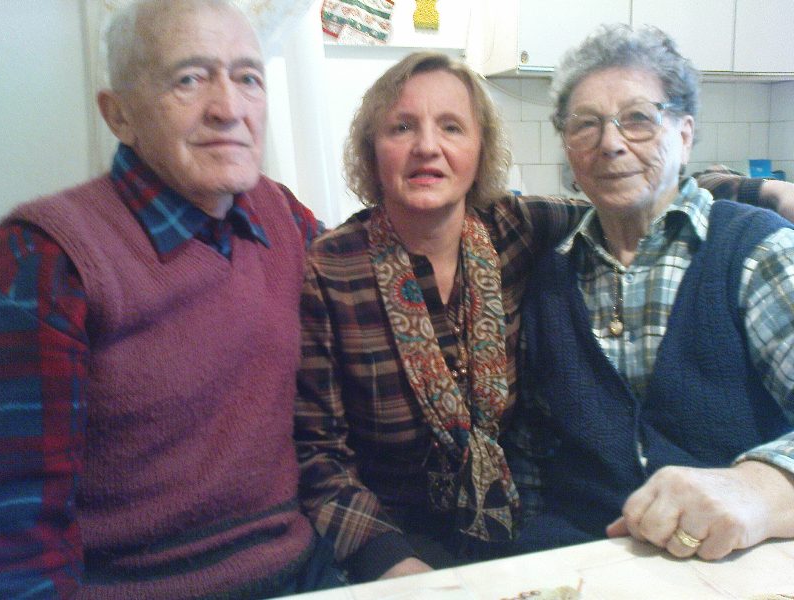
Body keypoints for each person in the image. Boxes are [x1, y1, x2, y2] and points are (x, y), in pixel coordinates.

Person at [292, 50, 789, 582]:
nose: (428, 147)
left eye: (452, 127)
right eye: (402, 127)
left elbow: (638, 190)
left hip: (524, 536)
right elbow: (318, 453)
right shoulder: (330, 267)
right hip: (398, 544)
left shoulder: (515, 228)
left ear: (480, 150)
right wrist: (388, 563)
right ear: (372, 148)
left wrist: (763, 191)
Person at [0, 1, 341, 597]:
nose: (228, 108)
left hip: (305, 575)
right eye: (189, 78)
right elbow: (17, 531)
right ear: (119, 115)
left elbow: (376, 276)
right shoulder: (44, 257)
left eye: (248, 78)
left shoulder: (285, 217)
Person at [504, 23, 794, 562]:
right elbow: (532, 459)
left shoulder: (758, 254)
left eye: (638, 118)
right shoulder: (549, 278)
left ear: (684, 134)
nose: (611, 143)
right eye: (585, 124)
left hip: (730, 568)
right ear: (568, 147)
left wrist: (761, 487)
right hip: (583, 567)